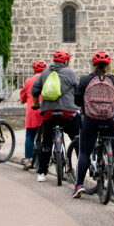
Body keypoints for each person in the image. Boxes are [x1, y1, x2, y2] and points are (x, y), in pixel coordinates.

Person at [71, 51, 114, 198]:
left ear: (94, 65)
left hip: (90, 119)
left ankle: (79, 184)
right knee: (113, 150)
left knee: (85, 152)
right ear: (108, 65)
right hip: (109, 120)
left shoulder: (85, 80)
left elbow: (78, 101)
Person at [30, 49, 81, 183]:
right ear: (65, 61)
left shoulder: (45, 72)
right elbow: (78, 90)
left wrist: (36, 105)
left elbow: (35, 89)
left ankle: (42, 173)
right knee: (77, 138)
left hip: (48, 112)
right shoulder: (70, 72)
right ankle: (82, 167)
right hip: (67, 111)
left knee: (46, 142)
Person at [18, 59, 47, 170]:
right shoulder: (47, 79)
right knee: (47, 135)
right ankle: (47, 157)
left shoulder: (28, 81)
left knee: (30, 135)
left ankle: (29, 158)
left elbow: (23, 98)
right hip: (44, 110)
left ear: (34, 70)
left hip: (32, 112)